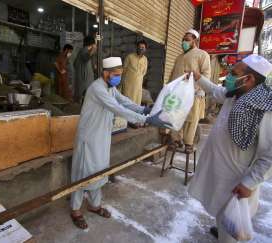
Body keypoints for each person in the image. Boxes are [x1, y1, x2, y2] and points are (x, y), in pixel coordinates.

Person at [70, 57, 171, 229]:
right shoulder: (97, 88)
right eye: (116, 75)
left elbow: (124, 101)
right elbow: (117, 108)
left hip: (101, 136)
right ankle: (75, 210)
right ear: (105, 73)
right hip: (88, 137)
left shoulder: (111, 87)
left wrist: (144, 109)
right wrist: (146, 119)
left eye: (119, 75)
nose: (118, 78)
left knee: (99, 171)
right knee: (82, 173)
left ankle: (94, 205)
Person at [188, 55, 272, 243]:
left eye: (234, 73)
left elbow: (270, 155)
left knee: (231, 229)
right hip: (219, 172)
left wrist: (249, 182)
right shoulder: (236, 93)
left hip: (236, 180)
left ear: (249, 79)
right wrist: (198, 77)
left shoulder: (264, 111)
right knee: (221, 214)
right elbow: (216, 91)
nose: (229, 77)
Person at [169, 29, 211, 153]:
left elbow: (206, 74)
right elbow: (173, 74)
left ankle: (188, 143)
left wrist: (196, 86)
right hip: (177, 94)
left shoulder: (202, 54)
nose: (184, 42)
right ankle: (176, 140)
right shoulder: (179, 57)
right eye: (183, 40)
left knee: (191, 119)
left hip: (193, 93)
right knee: (176, 117)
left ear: (195, 41)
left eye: (187, 40)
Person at [121, 40, 148, 105]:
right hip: (128, 86)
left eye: (143, 47)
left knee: (136, 104)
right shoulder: (130, 57)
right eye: (139, 47)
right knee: (127, 103)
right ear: (137, 48)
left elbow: (144, 72)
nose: (141, 49)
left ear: (145, 49)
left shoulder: (145, 59)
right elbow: (123, 70)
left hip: (138, 87)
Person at [74, 36, 97, 102]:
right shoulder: (84, 51)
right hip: (84, 82)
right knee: (84, 100)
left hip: (84, 81)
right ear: (92, 44)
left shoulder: (83, 51)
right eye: (94, 44)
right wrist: (93, 49)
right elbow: (87, 57)